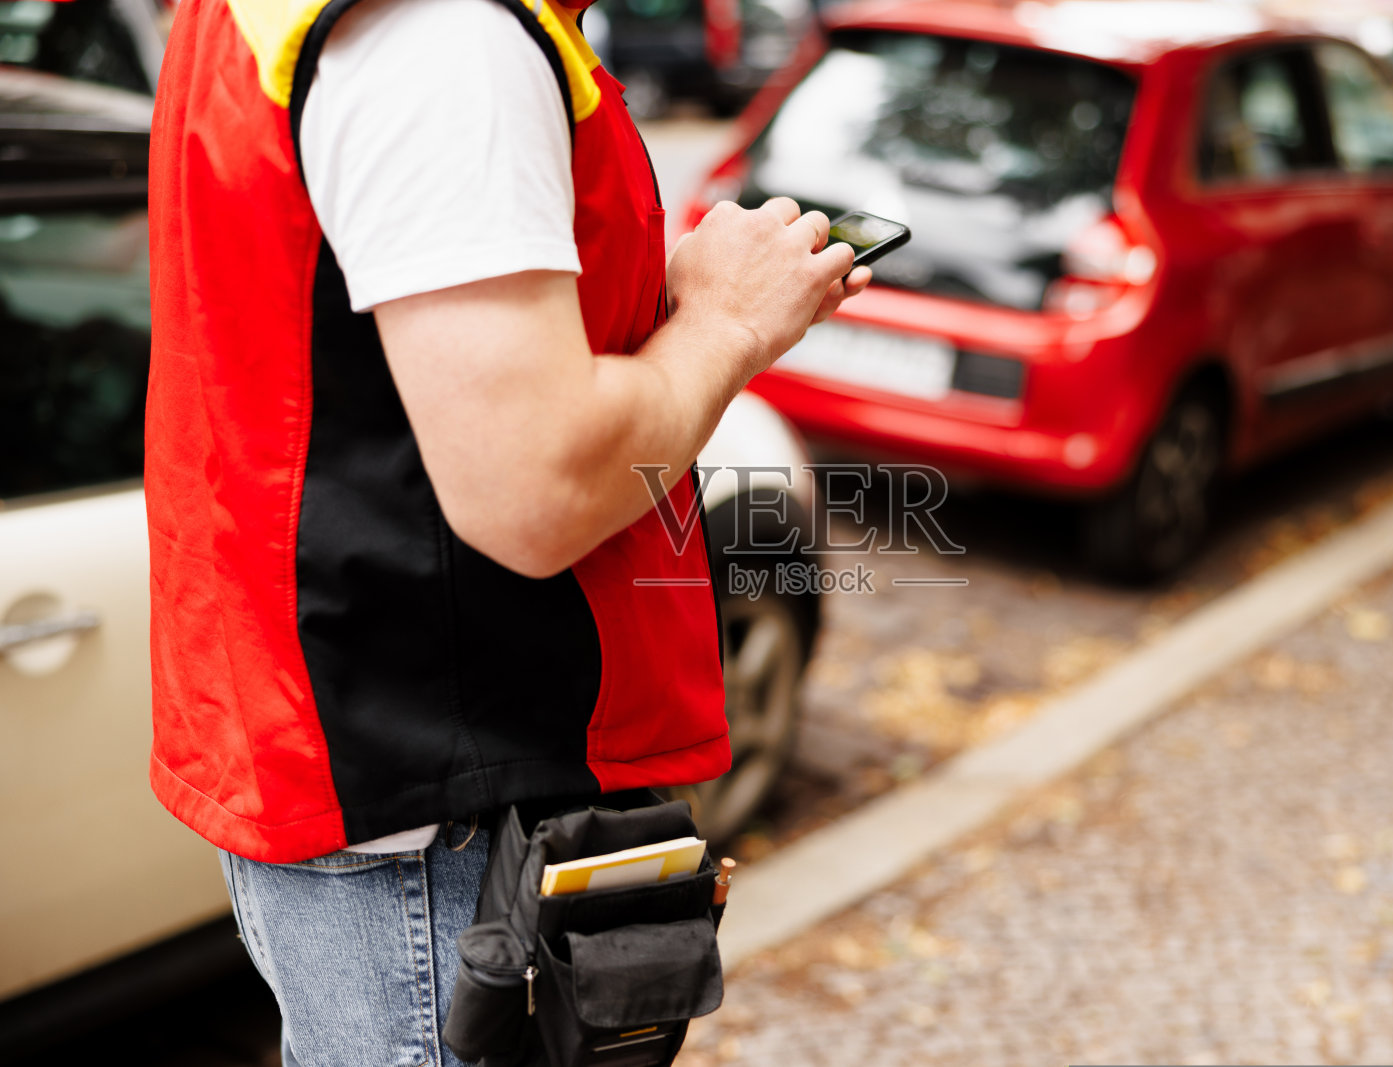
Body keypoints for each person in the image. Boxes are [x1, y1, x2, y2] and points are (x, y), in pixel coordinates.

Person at [144, 0, 867, 1060]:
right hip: (444, 818)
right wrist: (729, 322)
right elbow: (538, 487)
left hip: (374, 765)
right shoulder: (450, 38)